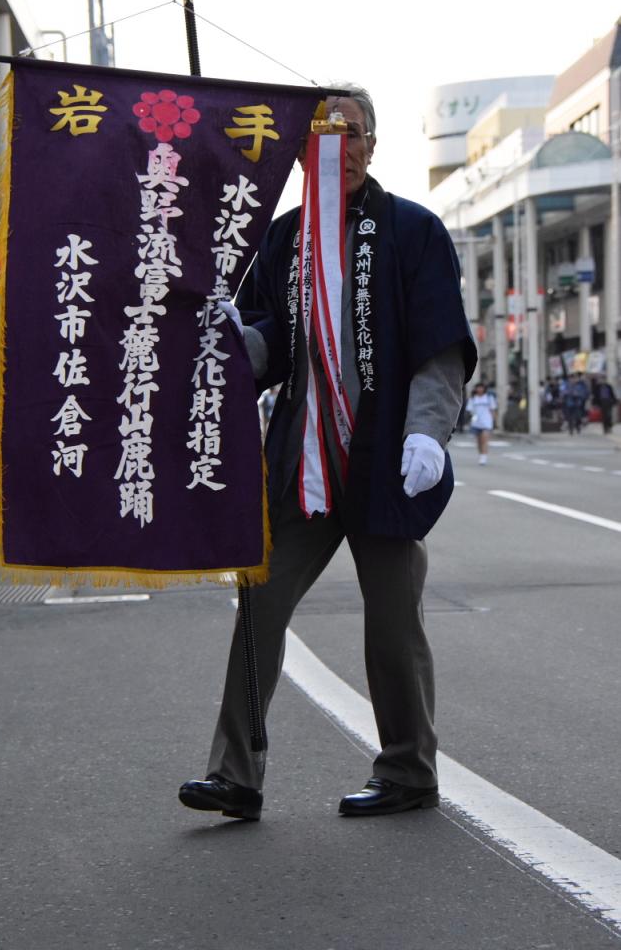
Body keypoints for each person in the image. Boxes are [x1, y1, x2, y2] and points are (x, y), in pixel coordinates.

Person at [178, 85, 476, 822]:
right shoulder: (281, 239)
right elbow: (269, 344)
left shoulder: (413, 231)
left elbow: (439, 349)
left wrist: (425, 432)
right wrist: (233, 338)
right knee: (259, 605)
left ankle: (407, 769)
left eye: (351, 131)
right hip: (301, 463)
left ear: (371, 145)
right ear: (302, 152)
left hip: (385, 459)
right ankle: (234, 774)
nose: (337, 143)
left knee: (391, 621)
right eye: (320, 132)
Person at [465, 381, 497, 464]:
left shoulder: (489, 398)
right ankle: (481, 454)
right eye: (478, 387)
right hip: (476, 422)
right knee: (479, 441)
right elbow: (469, 410)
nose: (479, 389)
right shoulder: (473, 398)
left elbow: (493, 410)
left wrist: (493, 421)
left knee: (484, 440)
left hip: (486, 422)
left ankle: (484, 456)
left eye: (481, 387)